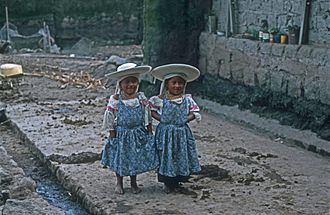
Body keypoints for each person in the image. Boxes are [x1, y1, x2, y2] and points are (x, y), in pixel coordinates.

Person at [101, 63, 158, 194]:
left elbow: (147, 115)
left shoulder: (141, 98)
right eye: (127, 82)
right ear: (120, 84)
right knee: (120, 158)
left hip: (137, 133)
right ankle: (119, 183)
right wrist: (112, 135)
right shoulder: (115, 100)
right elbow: (110, 119)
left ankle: (133, 183)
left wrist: (149, 131)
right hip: (121, 134)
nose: (130, 85)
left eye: (133, 81)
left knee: (135, 158)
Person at [149, 63, 202, 193]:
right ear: (167, 84)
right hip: (166, 134)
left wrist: (184, 120)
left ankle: (178, 181)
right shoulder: (160, 100)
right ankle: (167, 183)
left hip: (181, 134)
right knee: (166, 155)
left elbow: (194, 112)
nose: (177, 86)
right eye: (174, 82)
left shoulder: (186, 99)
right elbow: (151, 110)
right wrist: (162, 119)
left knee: (180, 155)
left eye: (180, 83)